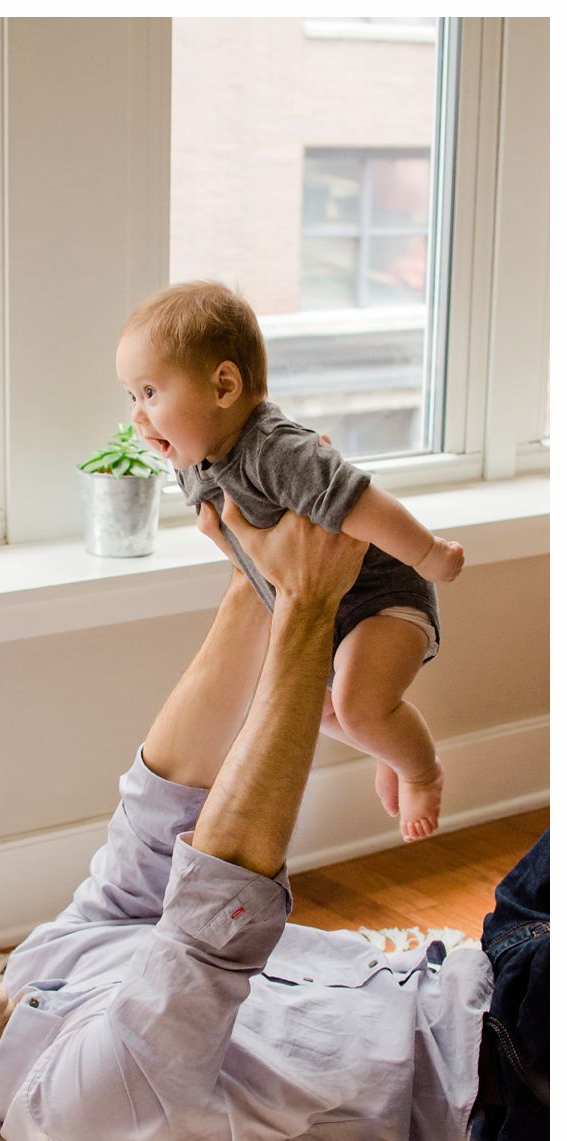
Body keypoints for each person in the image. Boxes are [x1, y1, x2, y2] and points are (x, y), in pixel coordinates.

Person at [0, 505, 548, 1141]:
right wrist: (306, 604)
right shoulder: (86, 1113)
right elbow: (217, 913)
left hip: (485, 951)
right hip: (505, 1051)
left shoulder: (41, 963)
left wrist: (255, 579)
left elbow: (158, 810)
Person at [117, 281, 463, 841]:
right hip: (326, 609)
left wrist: (429, 555)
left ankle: (420, 770)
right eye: (130, 396)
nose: (137, 416)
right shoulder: (195, 462)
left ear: (224, 385)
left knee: (356, 705)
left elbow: (360, 498)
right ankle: (384, 732)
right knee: (324, 713)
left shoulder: (274, 447)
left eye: (150, 392)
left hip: (381, 598)